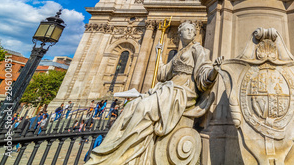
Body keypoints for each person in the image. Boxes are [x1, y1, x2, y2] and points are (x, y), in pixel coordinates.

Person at [86, 21, 223, 165]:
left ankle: (125, 150)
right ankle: (116, 150)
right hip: (170, 88)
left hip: (182, 92)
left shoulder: (198, 49)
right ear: (180, 33)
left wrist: (213, 71)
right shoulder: (179, 54)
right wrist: (158, 55)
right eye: (186, 29)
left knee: (143, 107)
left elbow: (203, 71)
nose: (190, 32)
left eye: (192, 30)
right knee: (131, 106)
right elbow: (163, 74)